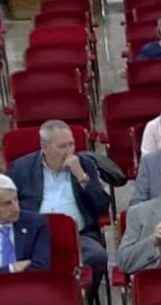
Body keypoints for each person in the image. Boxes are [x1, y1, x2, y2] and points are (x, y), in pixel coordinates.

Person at [6, 121, 110, 291]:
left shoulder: (84, 164)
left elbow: (102, 206)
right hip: (34, 238)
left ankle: (80, 301)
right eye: (62, 146)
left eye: (71, 144)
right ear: (44, 147)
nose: (69, 151)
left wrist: (82, 177)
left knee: (97, 257)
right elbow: (8, 208)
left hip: (78, 236)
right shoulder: (20, 169)